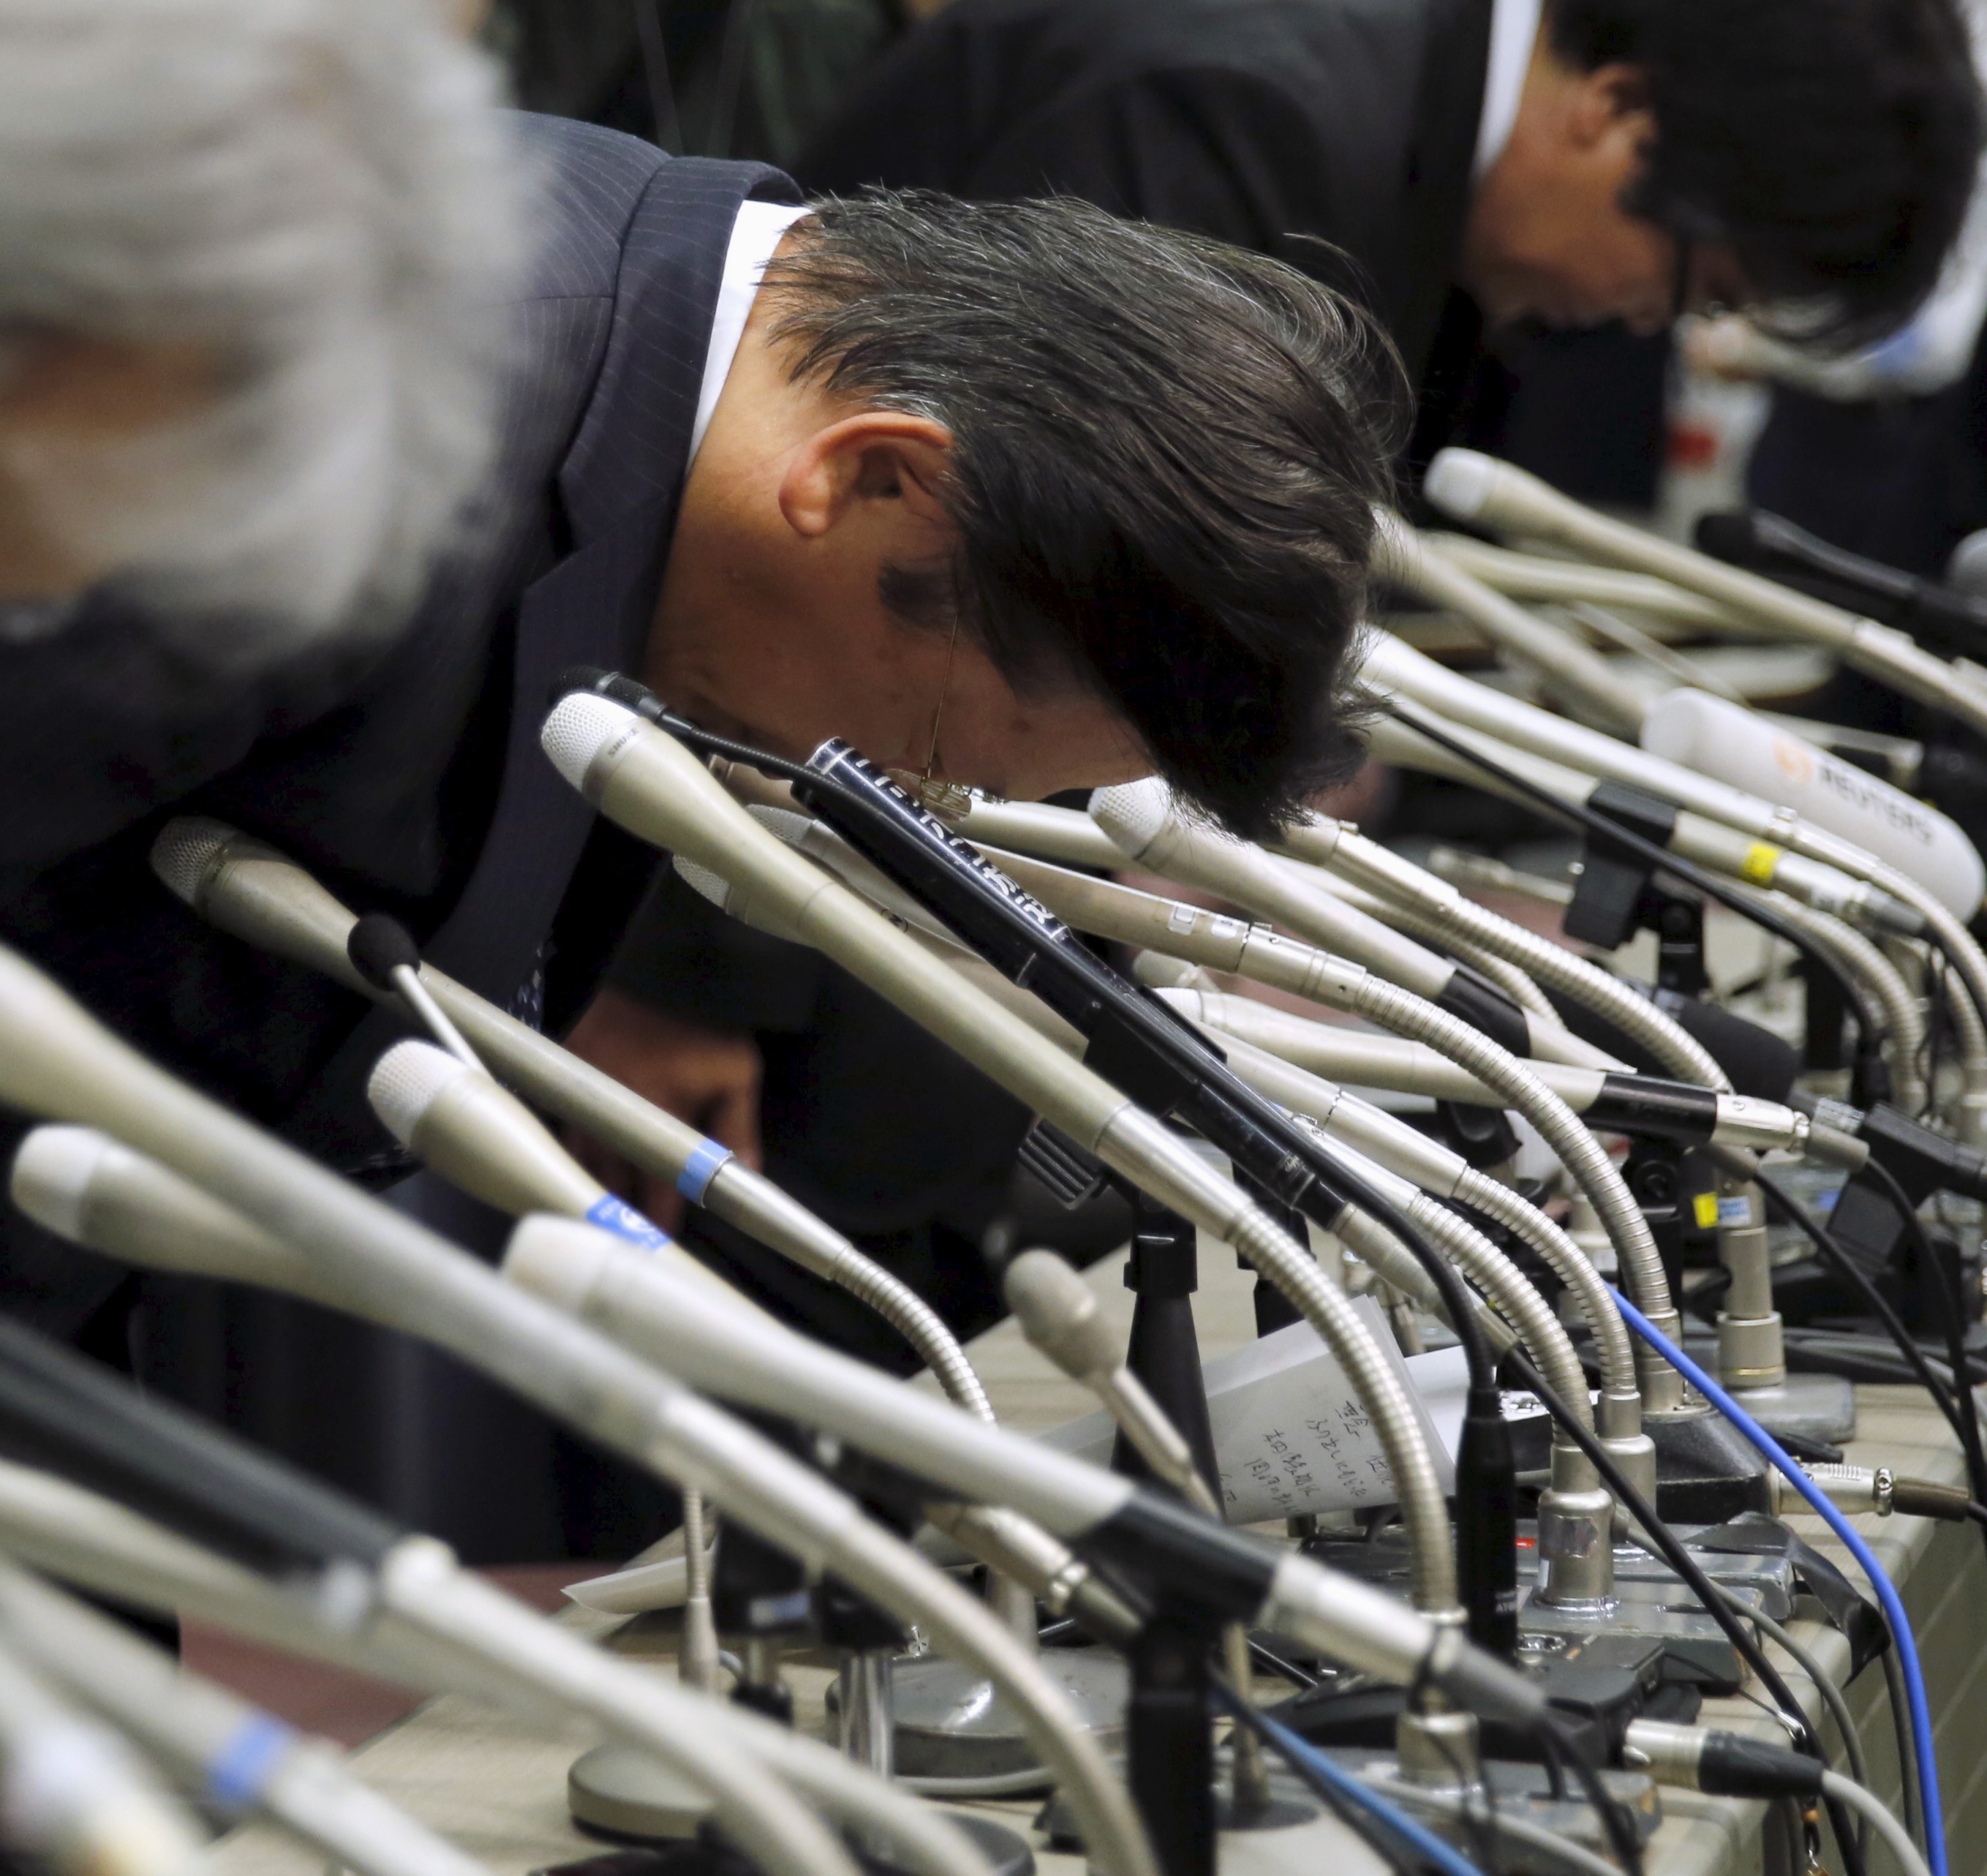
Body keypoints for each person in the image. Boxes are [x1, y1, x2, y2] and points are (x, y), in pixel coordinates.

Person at [0, 4, 1411, 1866]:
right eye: (913, 743)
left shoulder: (645, 318)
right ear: (874, 477)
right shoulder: (288, 394)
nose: (848, 787)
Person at [570, 0, 1986, 1322]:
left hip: (878, 856)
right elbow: (883, 576)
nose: (1648, 328)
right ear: (1612, 114)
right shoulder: (1243, 113)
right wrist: (674, 977)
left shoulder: (1397, 132)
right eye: (1696, 283)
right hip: (707, 876)